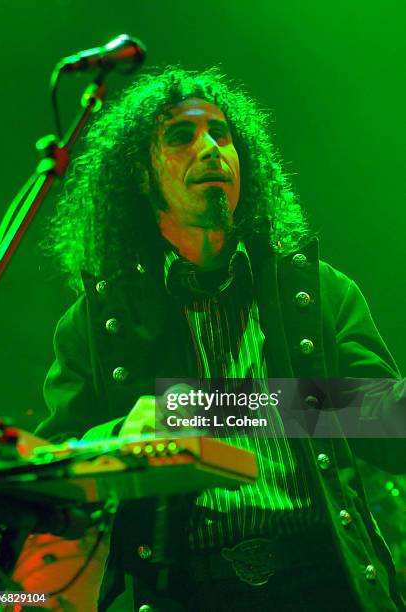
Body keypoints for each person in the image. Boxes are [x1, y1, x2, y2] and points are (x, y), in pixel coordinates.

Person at [36, 66, 406, 611]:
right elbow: (51, 480)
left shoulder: (320, 292)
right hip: (186, 591)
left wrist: (219, 409)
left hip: (326, 580)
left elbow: (393, 433)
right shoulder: (93, 324)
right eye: (181, 137)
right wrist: (116, 435)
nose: (210, 148)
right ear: (140, 176)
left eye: (222, 134)